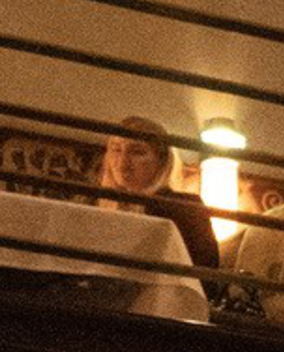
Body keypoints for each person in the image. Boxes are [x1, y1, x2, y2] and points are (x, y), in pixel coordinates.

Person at [94, 114, 221, 273]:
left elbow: (205, 274)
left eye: (137, 152)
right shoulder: (91, 204)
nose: (122, 162)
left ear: (161, 160)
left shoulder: (185, 208)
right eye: (116, 149)